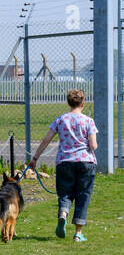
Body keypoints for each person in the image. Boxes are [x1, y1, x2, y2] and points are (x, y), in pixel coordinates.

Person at [28, 88, 98, 242]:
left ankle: (63, 214)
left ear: (68, 103)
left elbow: (46, 140)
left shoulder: (60, 119)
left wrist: (35, 158)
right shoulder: (88, 121)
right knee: (83, 195)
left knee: (65, 193)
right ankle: (78, 233)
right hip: (85, 162)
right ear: (83, 103)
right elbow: (93, 145)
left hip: (64, 161)